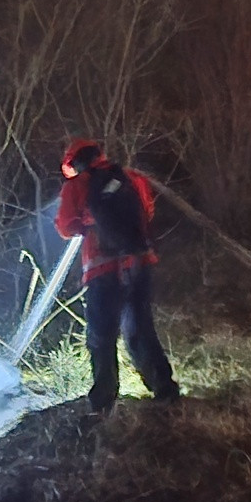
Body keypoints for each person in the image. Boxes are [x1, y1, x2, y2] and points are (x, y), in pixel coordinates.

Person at [54, 138, 180, 412]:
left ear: (74, 163)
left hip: (103, 268)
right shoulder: (133, 179)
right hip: (139, 262)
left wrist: (84, 226)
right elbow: (147, 212)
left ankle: (103, 401)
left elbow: (64, 226)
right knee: (140, 328)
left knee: (101, 334)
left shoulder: (76, 186)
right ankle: (165, 391)